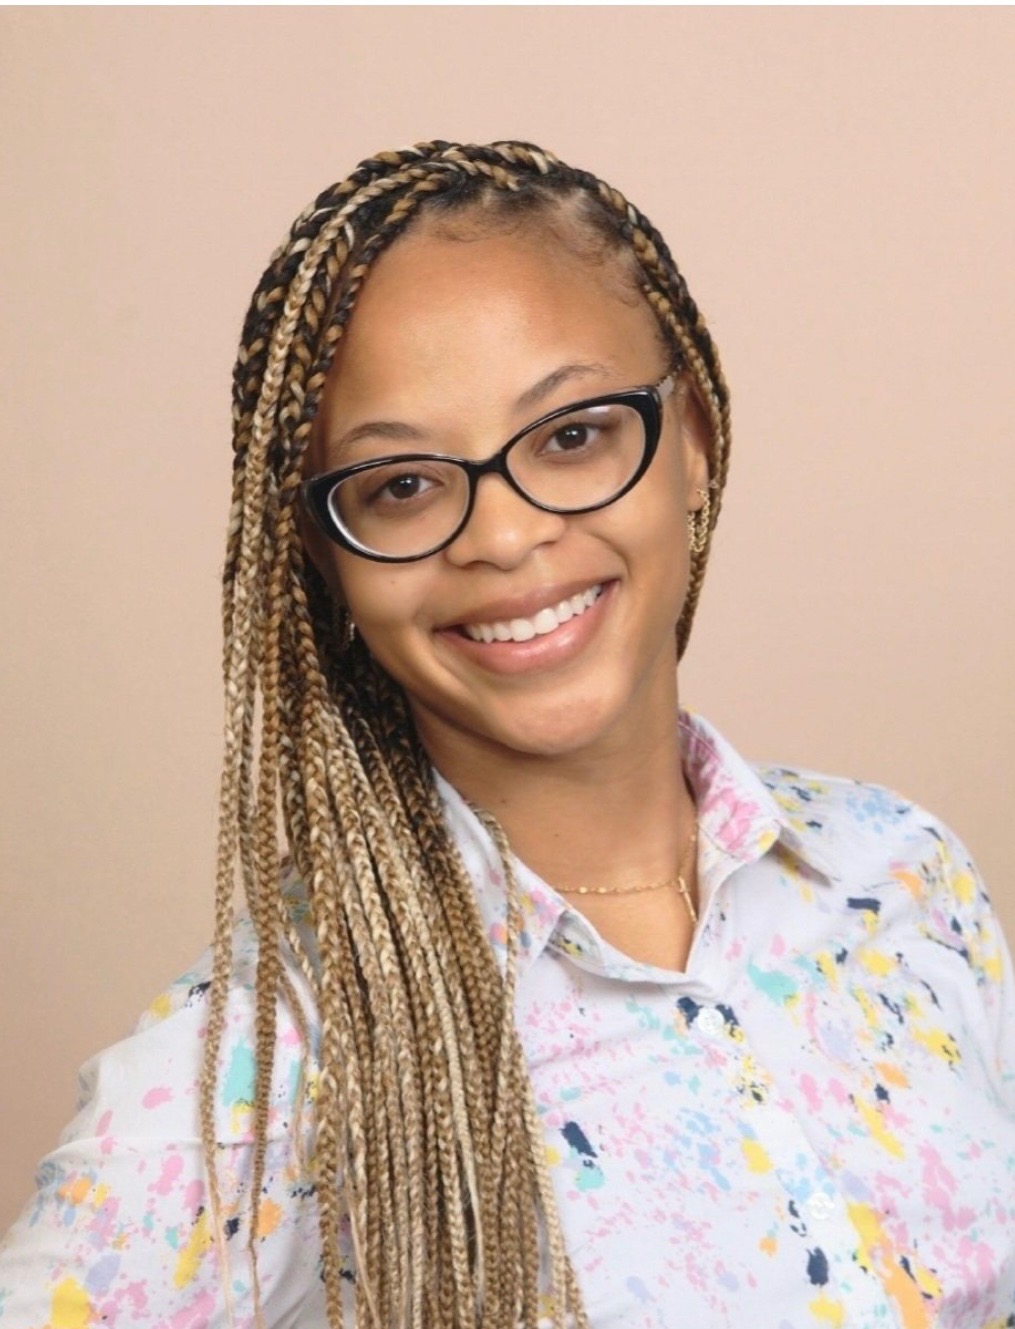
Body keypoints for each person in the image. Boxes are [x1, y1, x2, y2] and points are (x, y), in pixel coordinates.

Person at [1, 139, 1013, 1329]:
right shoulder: (267, 1065)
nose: (503, 536)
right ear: (325, 558)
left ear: (690, 439)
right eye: (401, 486)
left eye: (571, 435)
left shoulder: (898, 870)